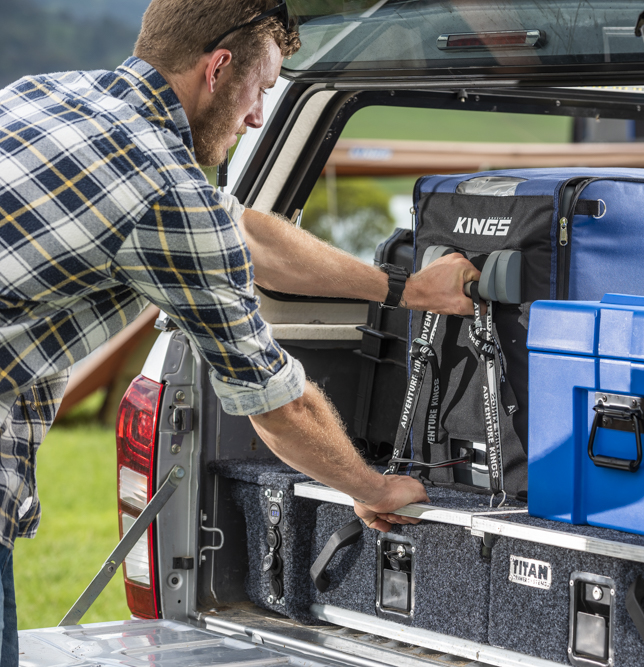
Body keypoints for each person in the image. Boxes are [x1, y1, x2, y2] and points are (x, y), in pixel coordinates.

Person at [0, 0, 478, 656]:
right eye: (262, 91)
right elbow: (277, 405)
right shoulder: (166, 194)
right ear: (218, 68)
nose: (258, 115)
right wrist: (372, 487)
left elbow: (247, 233)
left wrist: (409, 288)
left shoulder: (44, 96)